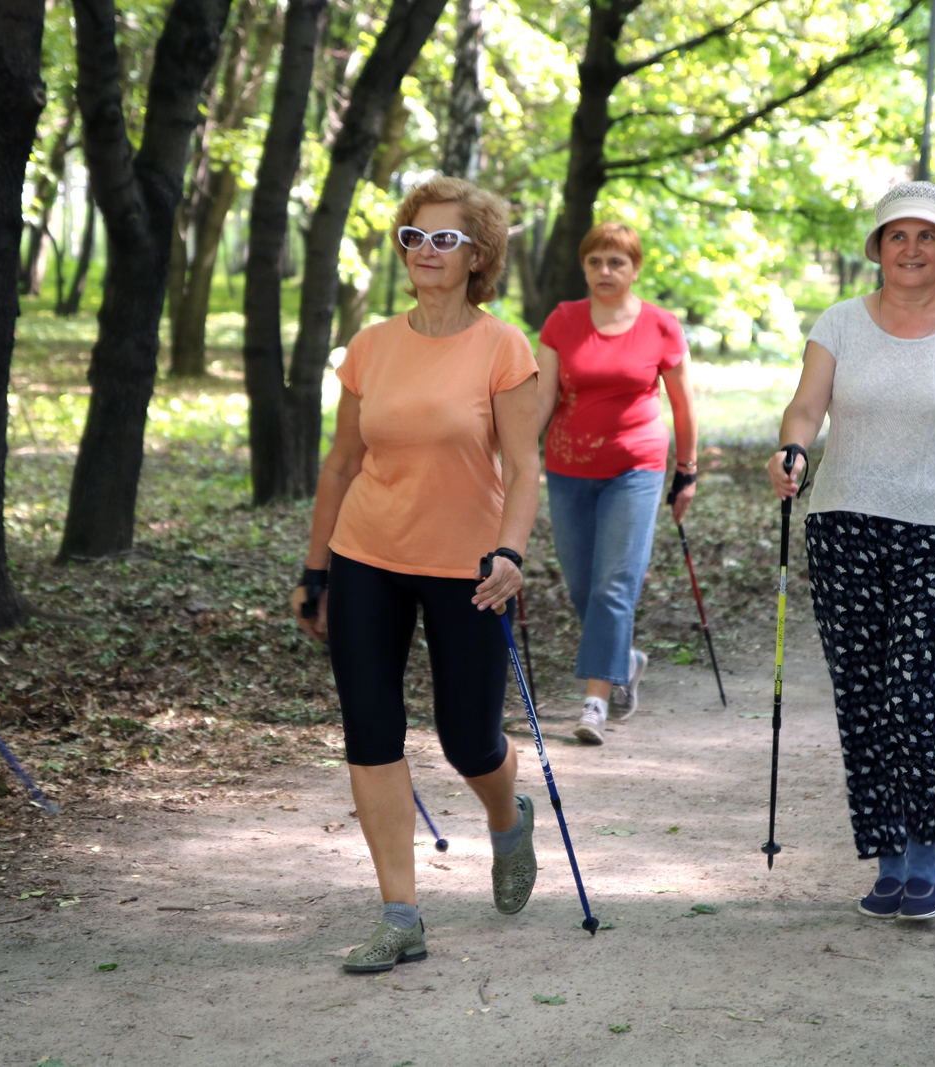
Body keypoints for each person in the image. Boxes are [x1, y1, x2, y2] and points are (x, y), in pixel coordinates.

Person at [290, 177, 539, 974]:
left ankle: (507, 816)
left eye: (444, 240)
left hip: (469, 566)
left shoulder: (504, 346)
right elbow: (341, 463)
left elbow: (525, 469)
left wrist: (511, 554)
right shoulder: (370, 346)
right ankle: (401, 913)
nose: (425, 252)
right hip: (368, 554)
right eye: (413, 237)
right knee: (371, 729)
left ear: (478, 257)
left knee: (469, 738)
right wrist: (315, 566)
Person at [770, 181, 935, 921]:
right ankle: (886, 851)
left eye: (927, 237)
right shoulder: (840, 322)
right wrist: (793, 448)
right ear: (877, 248)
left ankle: (923, 852)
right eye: (897, 236)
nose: (911, 249)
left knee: (912, 697)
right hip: (843, 523)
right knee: (863, 698)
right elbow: (808, 404)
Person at [535, 222, 698, 745]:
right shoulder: (562, 321)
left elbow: (683, 404)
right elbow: (541, 401)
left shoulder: (660, 325)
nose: (605, 272)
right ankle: (624, 659)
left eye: (617, 262)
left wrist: (687, 471)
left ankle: (595, 703)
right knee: (583, 587)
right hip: (566, 468)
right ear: (584, 267)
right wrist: (509, 453)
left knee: (613, 586)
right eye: (595, 262)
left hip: (636, 469)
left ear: (635, 268)